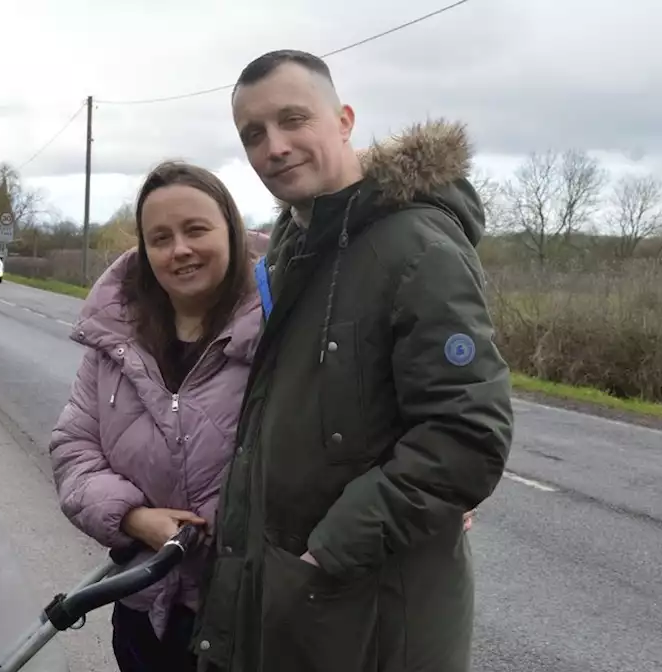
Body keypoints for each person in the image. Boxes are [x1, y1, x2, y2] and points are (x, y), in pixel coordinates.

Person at [192, 50, 515, 672]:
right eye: (253, 134)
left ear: (343, 119)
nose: (275, 147)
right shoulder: (292, 250)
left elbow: (466, 436)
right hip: (299, 605)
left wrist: (330, 550)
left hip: (372, 620)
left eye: (293, 120)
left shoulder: (418, 246)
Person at [48, 160, 263, 672]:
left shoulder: (282, 329)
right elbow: (73, 448)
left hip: (246, 612)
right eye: (160, 237)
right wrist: (132, 518)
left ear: (230, 230)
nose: (180, 249)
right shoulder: (115, 343)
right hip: (144, 606)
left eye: (196, 230)